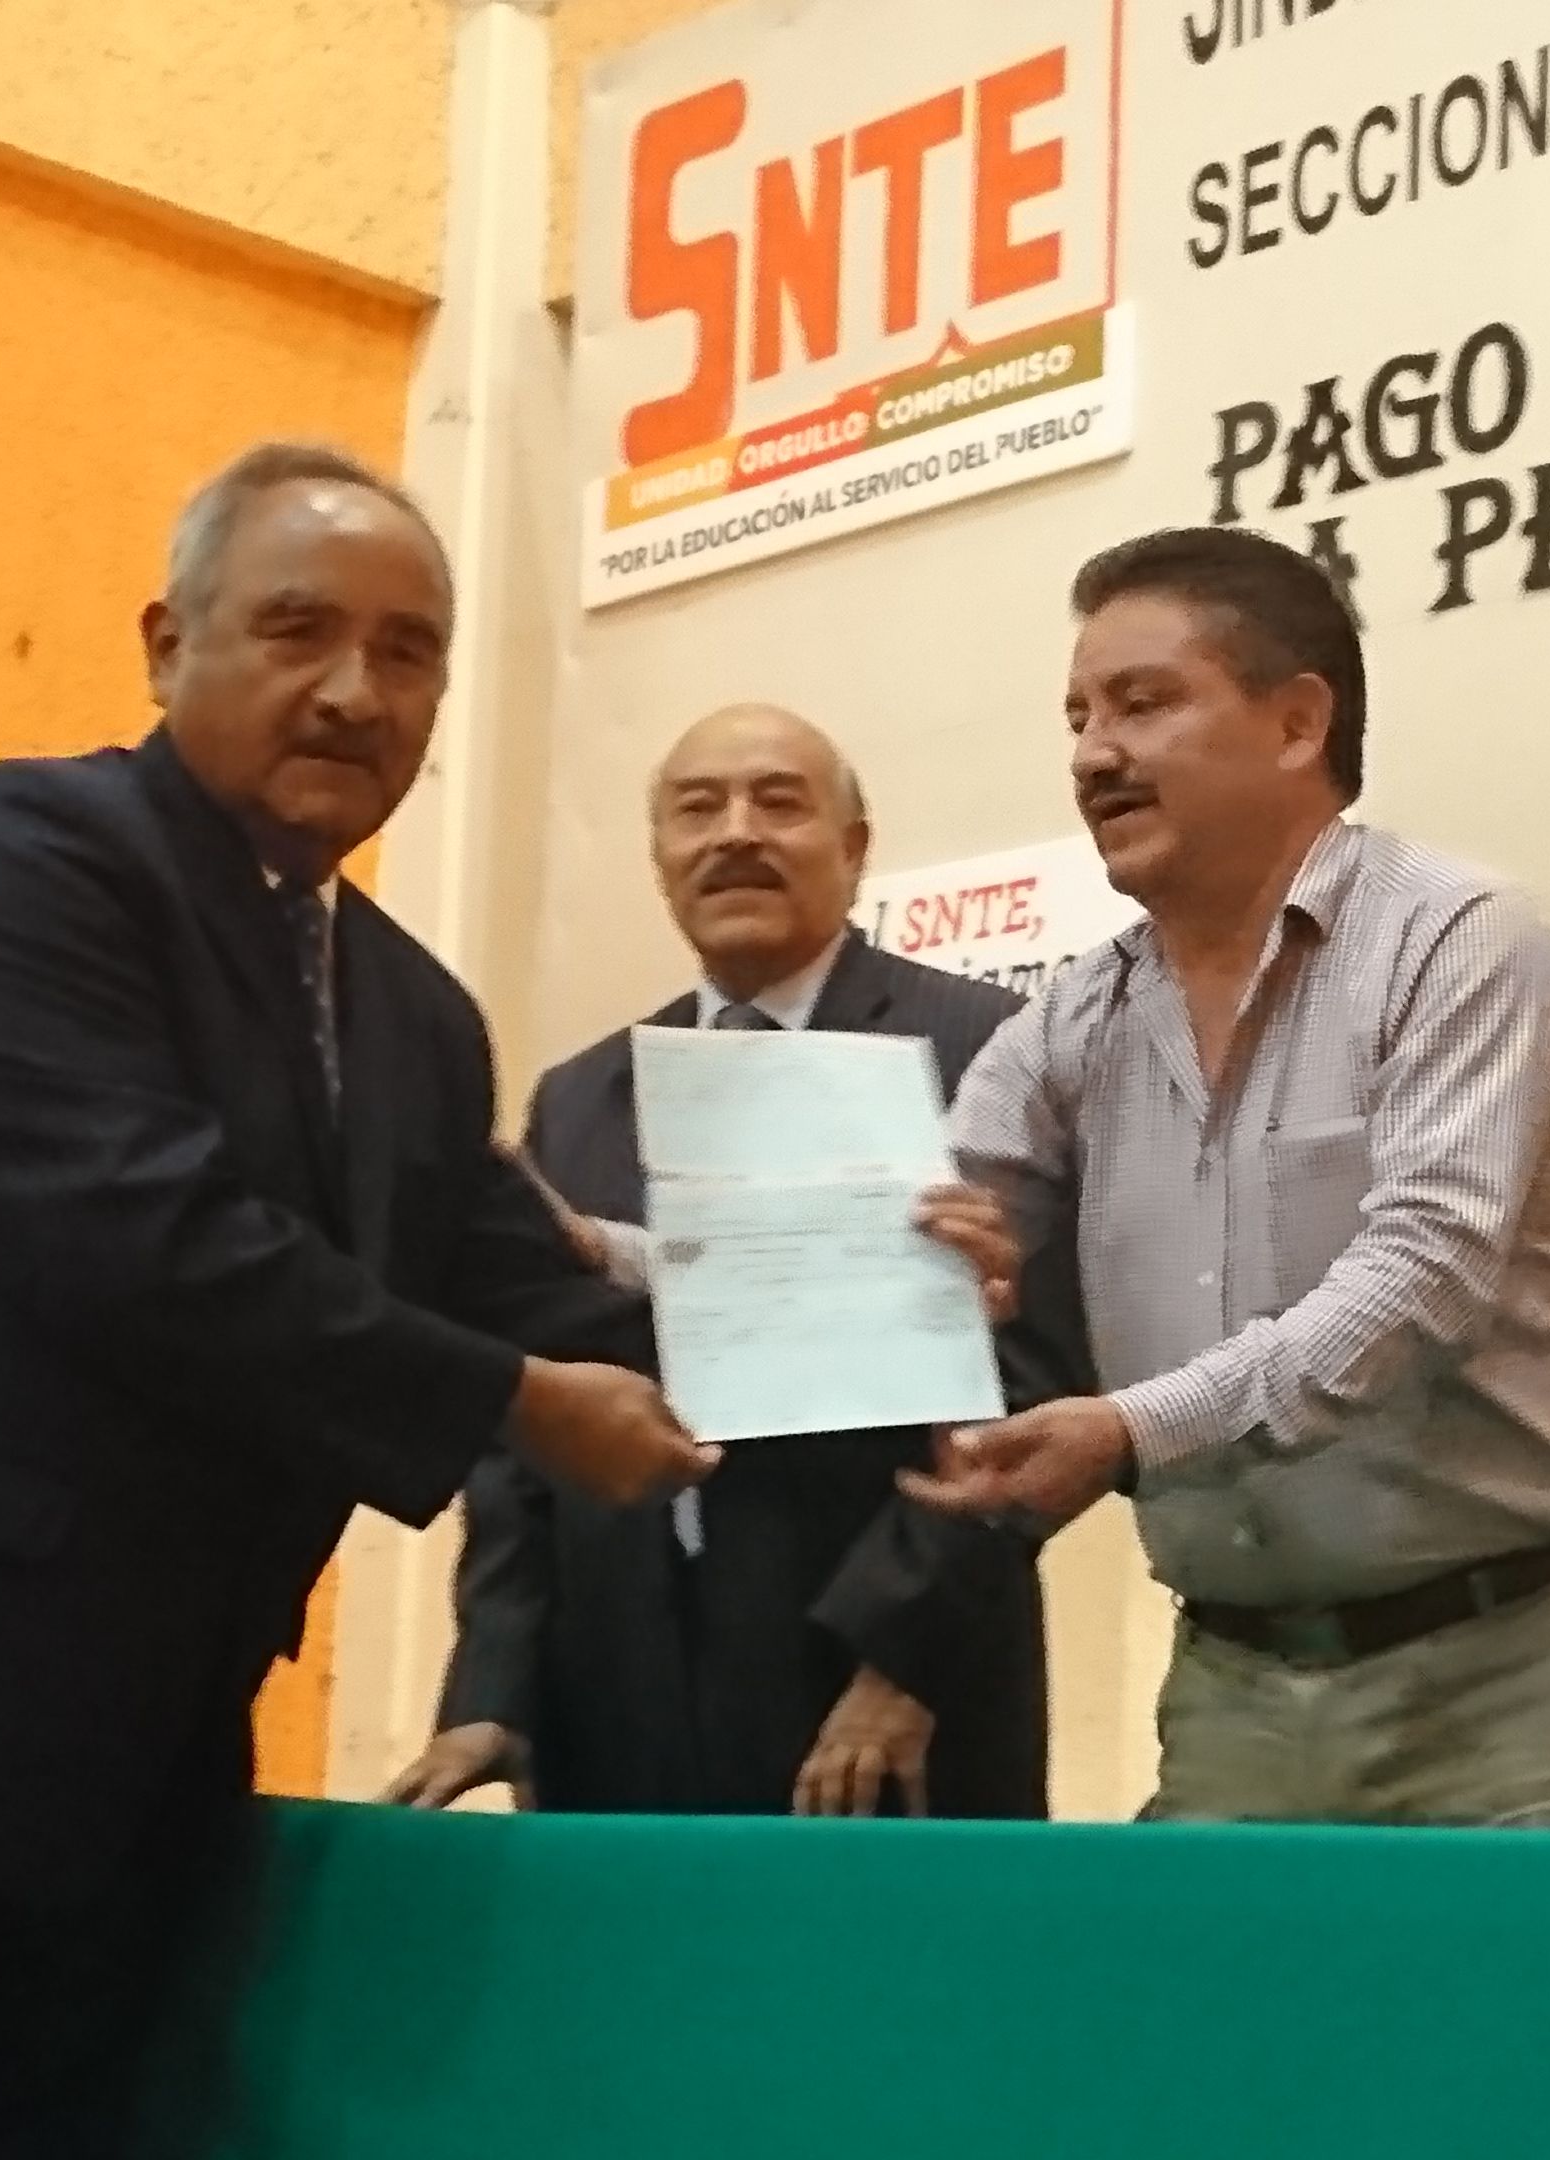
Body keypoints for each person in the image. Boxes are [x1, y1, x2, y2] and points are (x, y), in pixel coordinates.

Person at [0, 443, 750, 2160]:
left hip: (129, 1785)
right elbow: (146, 1239)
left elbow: (538, 1281)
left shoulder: (413, 1014)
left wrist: (899, 1302)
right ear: (165, 642)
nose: (355, 692)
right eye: (298, 629)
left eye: (409, 652)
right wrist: (510, 1404)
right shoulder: (31, 852)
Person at [904, 525, 1550, 1829]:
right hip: (1233, 1695)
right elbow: (911, 1224)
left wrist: (1132, 1431)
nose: (1093, 754)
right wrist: (608, 1255)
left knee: (1528, 1985)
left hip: (1509, 1697)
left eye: (1143, 703)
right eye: (1079, 717)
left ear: (1298, 722)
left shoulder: (1459, 941)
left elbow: (1422, 1279)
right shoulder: (1077, 1018)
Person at [388, 704, 1087, 1821]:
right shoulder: (584, 1094)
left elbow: (1034, 1378)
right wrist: (493, 1688)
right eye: (698, 808)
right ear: (660, 857)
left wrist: (904, 1661)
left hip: (878, 1692)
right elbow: (525, 1417)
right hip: (615, 1691)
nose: (737, 833)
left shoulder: (989, 1048)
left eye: (779, 802)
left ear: (855, 846)